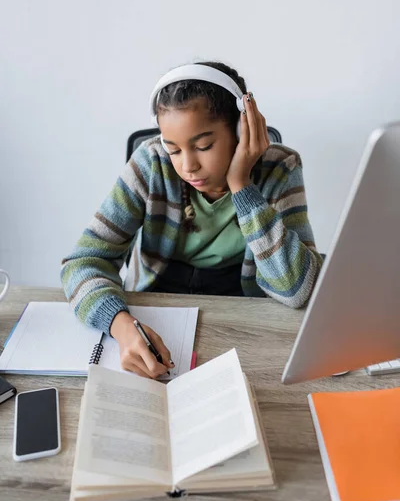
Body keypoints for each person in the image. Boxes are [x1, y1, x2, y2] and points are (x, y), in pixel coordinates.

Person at [61, 61, 323, 379]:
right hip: (157, 305)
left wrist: (242, 185)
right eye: (173, 149)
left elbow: (297, 289)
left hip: (240, 314)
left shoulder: (280, 168)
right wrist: (120, 324)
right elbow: (83, 262)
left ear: (242, 131)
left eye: (203, 146)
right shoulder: (151, 163)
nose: (188, 166)